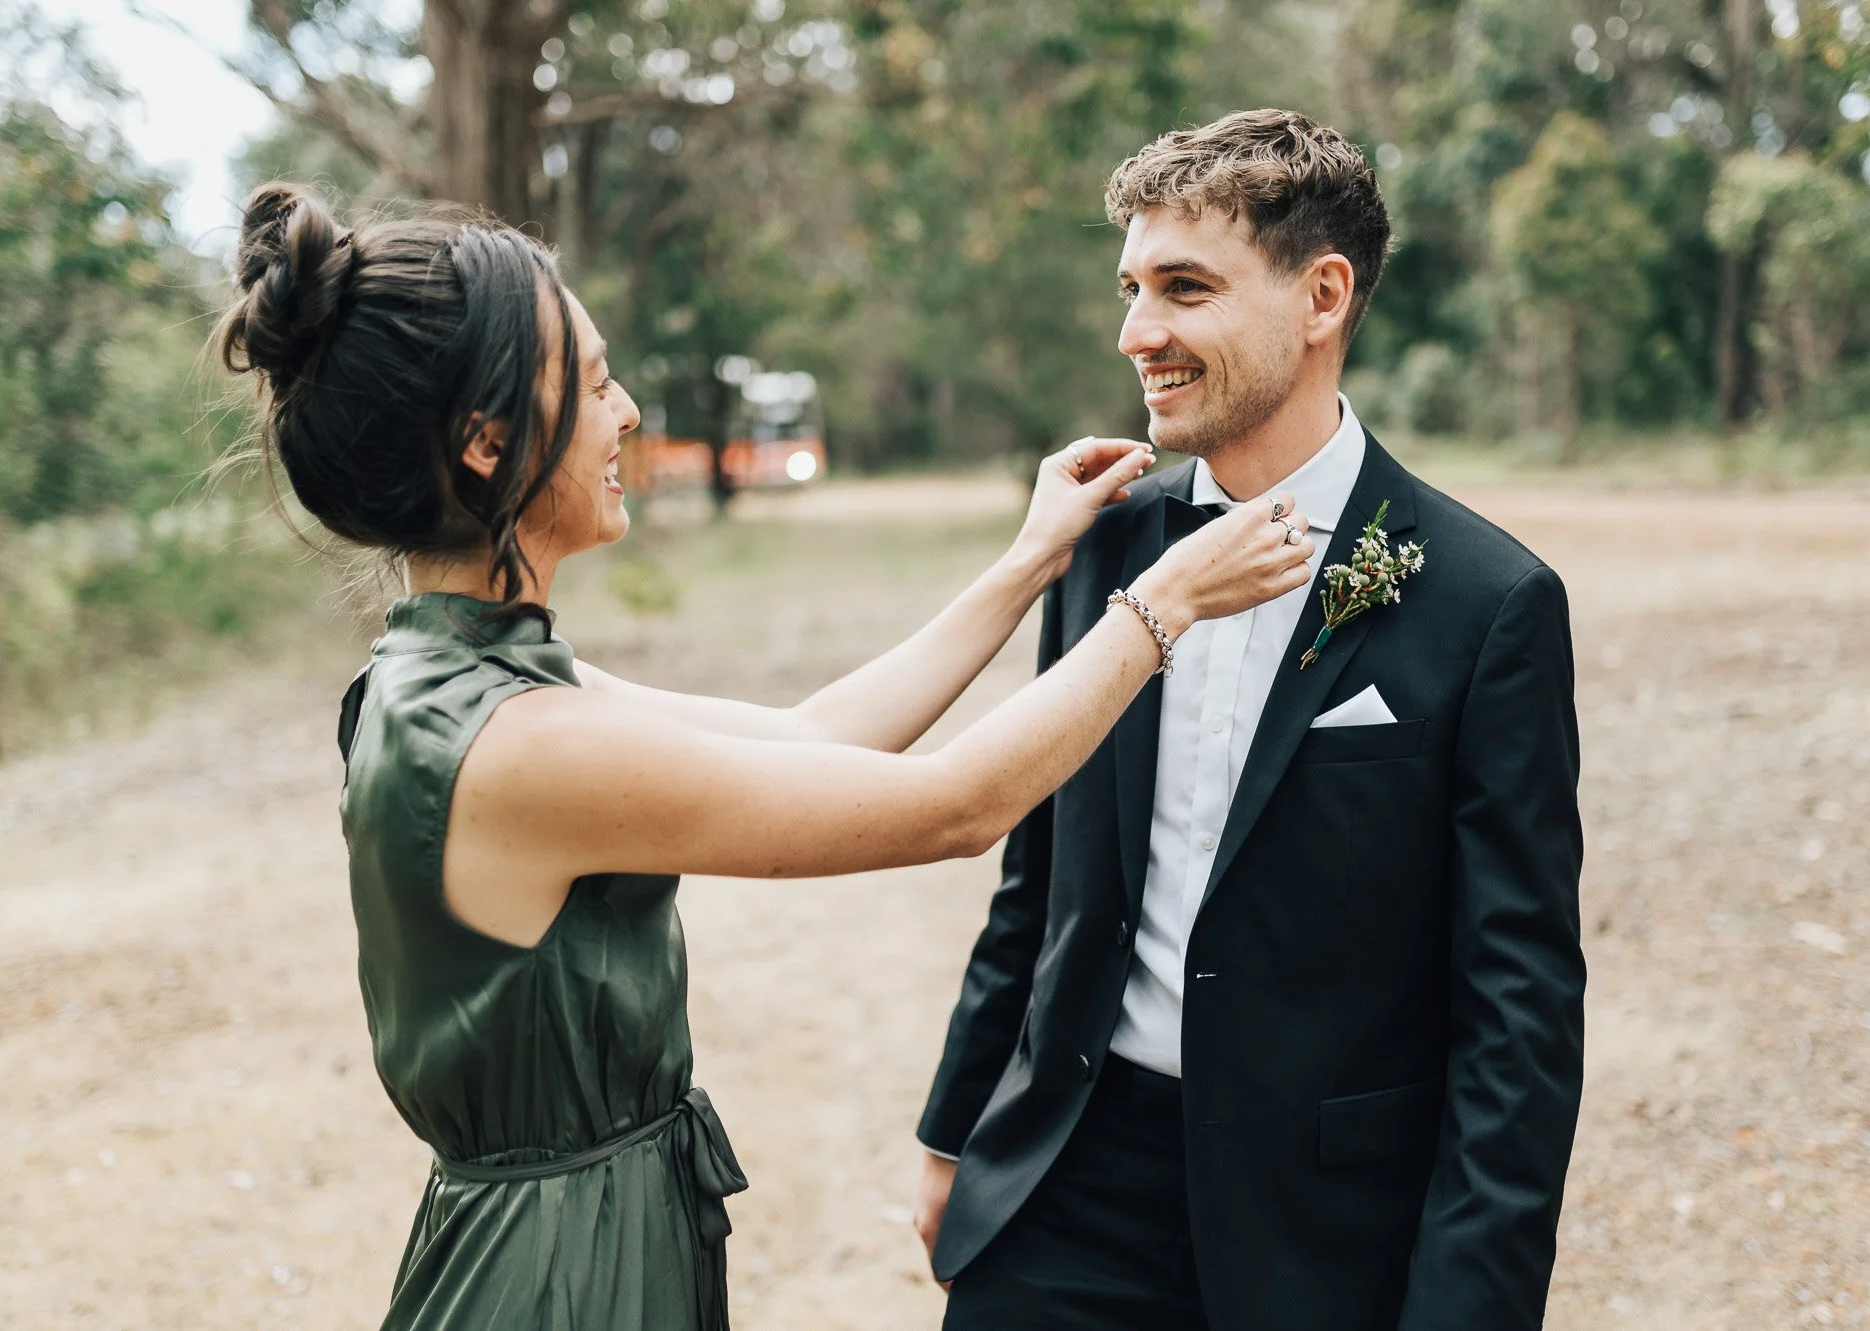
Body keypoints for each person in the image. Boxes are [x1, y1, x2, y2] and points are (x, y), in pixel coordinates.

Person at [212, 182, 1317, 1331]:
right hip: (561, 1282)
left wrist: (1028, 561)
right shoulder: (520, 742)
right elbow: (951, 806)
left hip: (575, 1238)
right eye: (593, 384)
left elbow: (812, 737)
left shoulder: (457, 677)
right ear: (487, 444)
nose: (629, 412)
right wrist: (1159, 606)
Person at [913, 109, 1588, 1331]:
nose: (1137, 334)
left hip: (1321, 1230)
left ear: (1320, 296)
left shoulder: (1489, 602)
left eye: (1182, 288)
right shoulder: (1103, 543)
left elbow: (1517, 1012)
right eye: (1129, 288)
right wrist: (956, 1132)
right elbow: (1043, 871)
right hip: (1066, 1180)